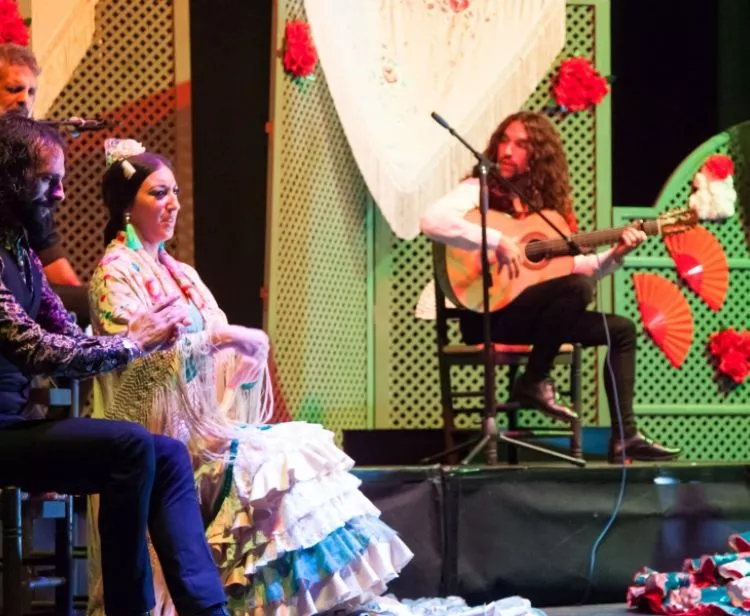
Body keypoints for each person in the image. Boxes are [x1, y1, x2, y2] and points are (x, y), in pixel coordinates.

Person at [87, 139, 413, 616]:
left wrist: (239, 356)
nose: (173, 203)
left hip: (203, 426)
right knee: (286, 458)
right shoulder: (112, 273)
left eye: (175, 191)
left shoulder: (181, 272)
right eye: (158, 193)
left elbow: (215, 334)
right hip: (157, 433)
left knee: (301, 448)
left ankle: (310, 604)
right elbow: (133, 365)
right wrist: (224, 342)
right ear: (125, 207)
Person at [0, 114, 239, 616]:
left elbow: (66, 337)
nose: (62, 195)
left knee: (168, 454)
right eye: (50, 181)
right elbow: (36, 350)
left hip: (17, 427)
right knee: (130, 446)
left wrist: (142, 339)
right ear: (11, 177)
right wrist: (130, 343)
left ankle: (207, 611)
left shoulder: (20, 254)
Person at [419, 110, 681, 463]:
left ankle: (625, 437)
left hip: (536, 319)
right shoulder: (479, 189)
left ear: (539, 155)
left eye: (521, 145)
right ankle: (534, 381)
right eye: (504, 141)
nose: (507, 151)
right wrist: (497, 240)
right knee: (578, 289)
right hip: (489, 315)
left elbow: (575, 267)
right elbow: (431, 221)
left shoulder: (546, 213)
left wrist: (617, 253)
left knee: (621, 328)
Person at [0, 42, 88, 323]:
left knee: (91, 305)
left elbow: (46, 247)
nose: (25, 99)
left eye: (31, 91)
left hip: (21, 279)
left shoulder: (32, 155)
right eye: (14, 89)